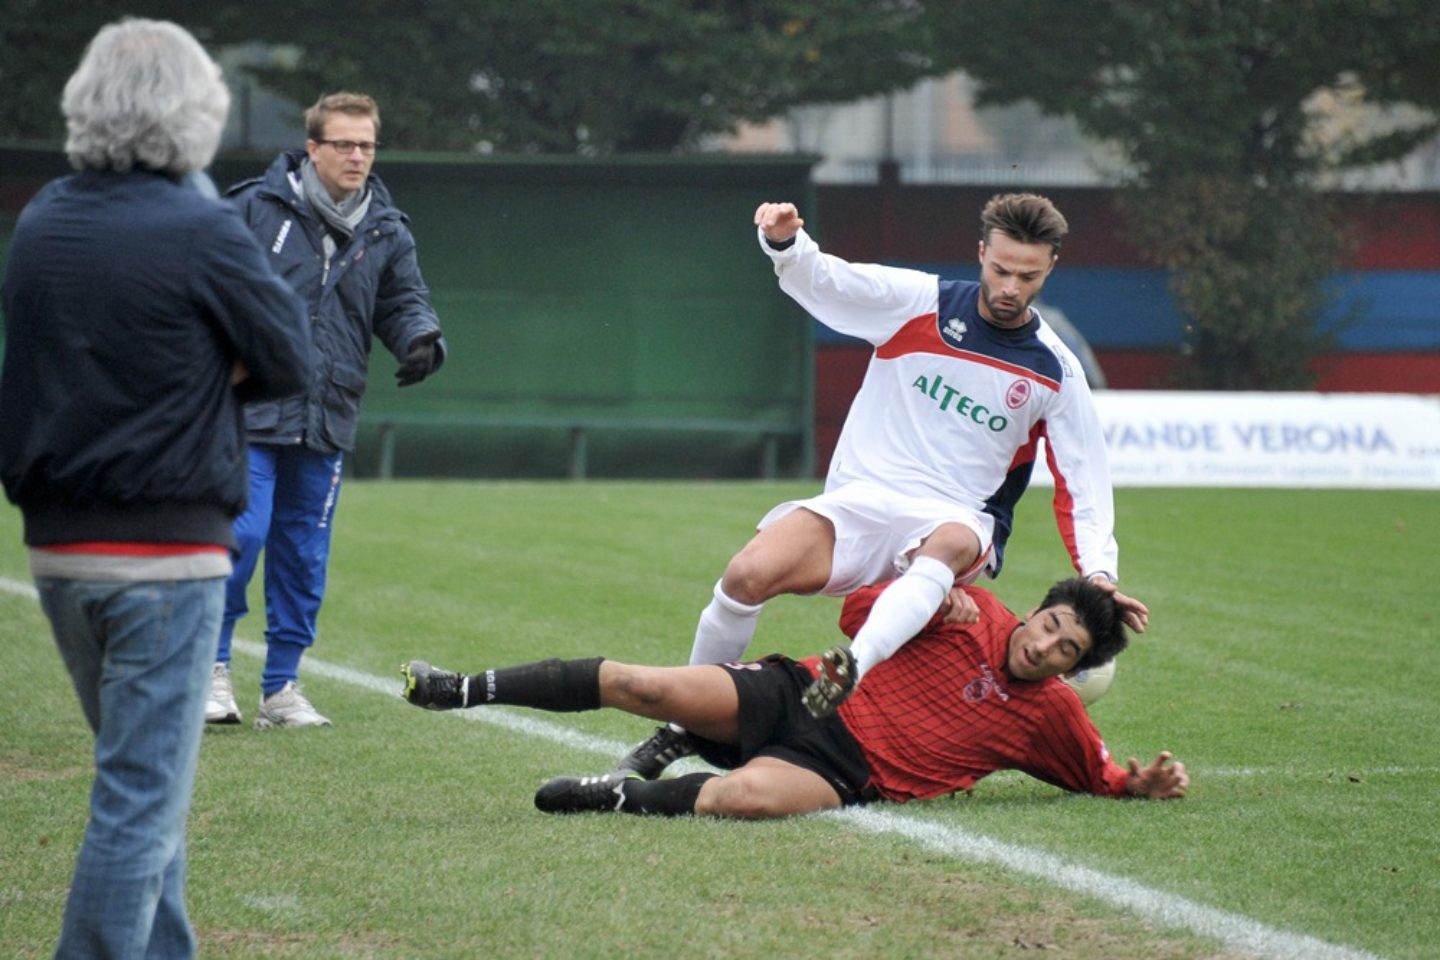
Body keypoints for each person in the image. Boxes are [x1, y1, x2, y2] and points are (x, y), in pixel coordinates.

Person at [616, 194, 1150, 777]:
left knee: (947, 541)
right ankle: (682, 728)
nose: (1008, 287)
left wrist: (1099, 574)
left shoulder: (1057, 371)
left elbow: (1084, 484)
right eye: (999, 269)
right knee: (745, 577)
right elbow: (832, 283)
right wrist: (788, 244)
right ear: (980, 254)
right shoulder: (919, 301)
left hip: (959, 520)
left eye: (1026, 276)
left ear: (1050, 268)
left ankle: (854, 667)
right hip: (862, 501)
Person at [0, 18, 312, 958]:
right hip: (166, 554)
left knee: (147, 781)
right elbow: (291, 357)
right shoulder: (203, 227)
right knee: (139, 801)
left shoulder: (44, 218)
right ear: (196, 112)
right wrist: (207, 374)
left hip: (59, 552)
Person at [398, 577, 1188, 819]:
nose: (1045, 644)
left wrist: (1140, 783)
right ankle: (458, 689)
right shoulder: (972, 609)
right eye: (1050, 624)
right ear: (1037, 608)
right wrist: (921, 594)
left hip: (847, 771)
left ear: (1071, 669)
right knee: (644, 684)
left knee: (741, 798)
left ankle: (616, 797)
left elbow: (1099, 775)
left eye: (1066, 651)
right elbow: (857, 615)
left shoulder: (1051, 717)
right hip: (797, 694)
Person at [206, 91, 448, 729]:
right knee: (241, 534)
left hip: (328, 411)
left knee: (304, 552)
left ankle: (281, 689)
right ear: (312, 149)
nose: (357, 156)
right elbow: (205, 291)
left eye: (366, 145)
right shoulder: (252, 210)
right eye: (343, 144)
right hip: (246, 408)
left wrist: (422, 338)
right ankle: (212, 670)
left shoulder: (386, 228)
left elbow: (402, 301)